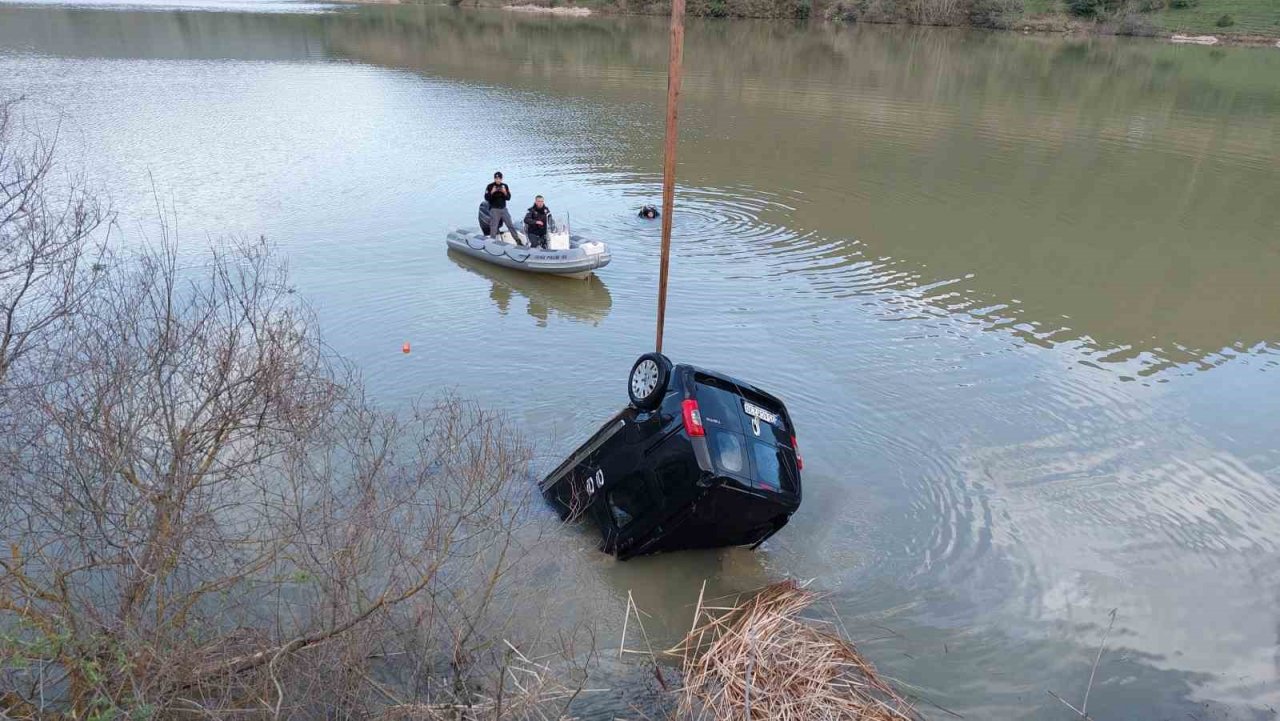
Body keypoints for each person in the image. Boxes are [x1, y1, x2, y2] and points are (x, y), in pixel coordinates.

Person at [484, 172, 521, 242]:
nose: (498, 180)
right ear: (494, 178)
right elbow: (486, 198)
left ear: (501, 179)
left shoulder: (505, 186)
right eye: (496, 178)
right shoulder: (490, 186)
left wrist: (504, 192)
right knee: (493, 227)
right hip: (494, 210)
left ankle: (518, 240)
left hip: (504, 209)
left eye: (499, 178)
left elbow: (508, 198)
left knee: (510, 225)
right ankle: (492, 242)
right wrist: (492, 192)